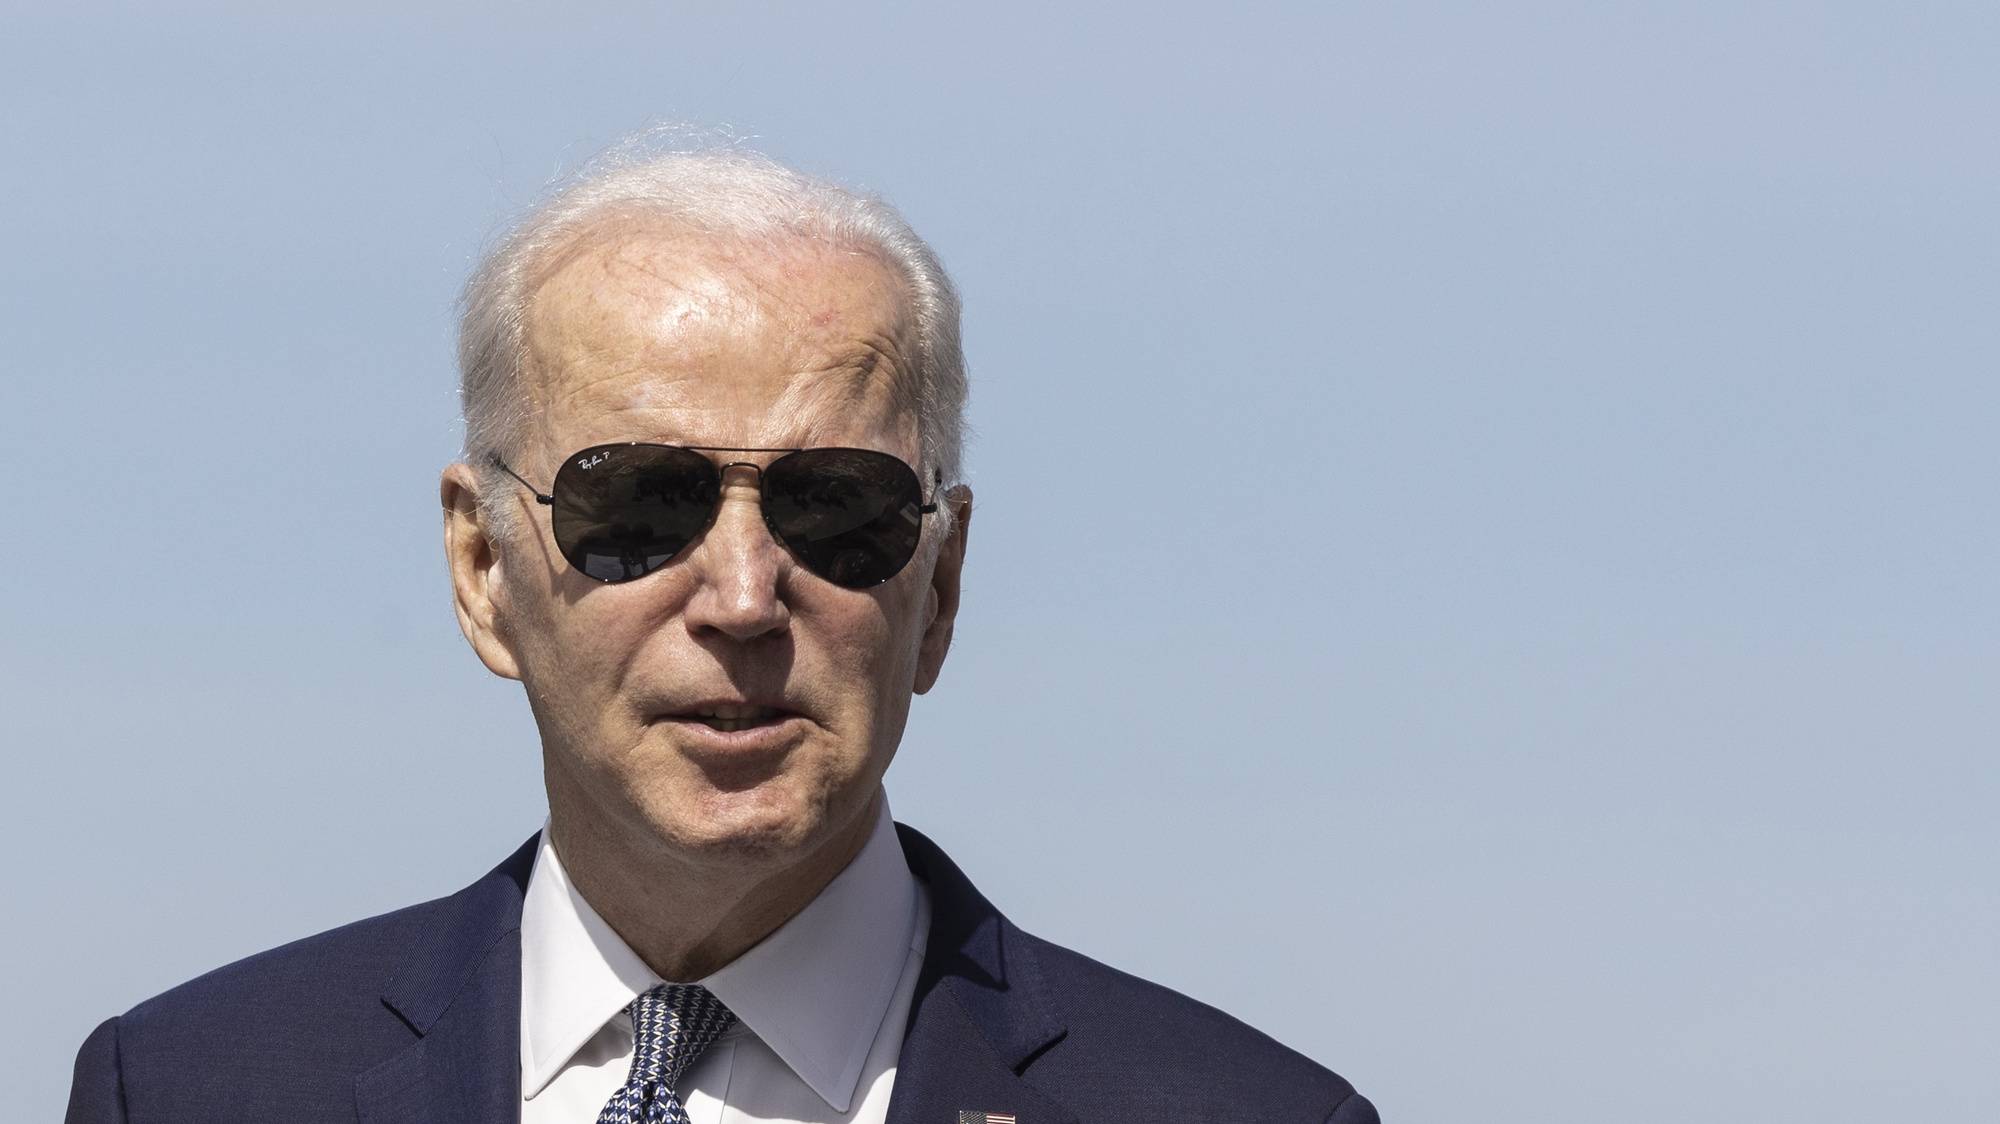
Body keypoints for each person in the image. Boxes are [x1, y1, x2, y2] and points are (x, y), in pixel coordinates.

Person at [65, 137, 1377, 1124]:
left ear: (944, 586)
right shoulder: (189, 1088)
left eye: (835, 508)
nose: (743, 597)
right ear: (481, 567)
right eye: (639, 504)